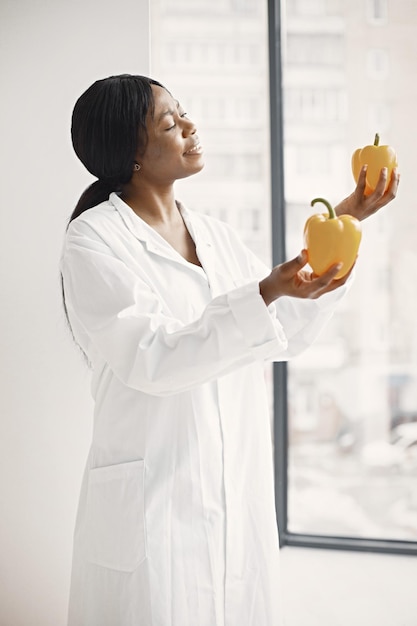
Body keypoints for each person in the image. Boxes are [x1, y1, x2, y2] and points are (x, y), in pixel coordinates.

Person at [60, 74, 399, 626]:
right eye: (170, 122)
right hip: (154, 506)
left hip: (233, 493)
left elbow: (282, 330)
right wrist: (266, 290)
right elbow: (154, 356)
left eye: (184, 112)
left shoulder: (216, 236)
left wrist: (345, 222)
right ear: (132, 153)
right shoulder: (93, 241)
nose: (190, 126)